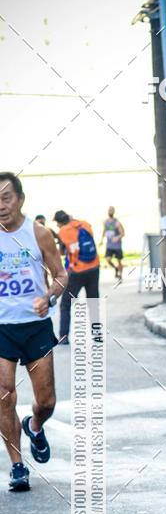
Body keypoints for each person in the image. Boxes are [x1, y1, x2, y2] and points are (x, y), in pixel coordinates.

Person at [0, 173, 67, 491]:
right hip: (2, 328)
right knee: (3, 395)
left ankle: (35, 425)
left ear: (20, 199)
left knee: (47, 400)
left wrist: (49, 295)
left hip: (36, 327)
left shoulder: (38, 234)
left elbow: (62, 276)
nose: (1, 205)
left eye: (6, 197)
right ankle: (17, 466)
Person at [54, 210, 100, 344]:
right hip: (94, 267)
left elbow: (62, 252)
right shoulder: (85, 224)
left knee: (65, 303)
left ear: (60, 222)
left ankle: (63, 337)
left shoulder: (63, 232)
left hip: (76, 271)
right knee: (93, 302)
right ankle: (97, 335)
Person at [100, 206, 125, 280]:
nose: (110, 212)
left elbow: (123, 233)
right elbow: (104, 231)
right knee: (108, 259)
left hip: (117, 245)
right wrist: (101, 240)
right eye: (109, 210)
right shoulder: (105, 222)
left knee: (119, 260)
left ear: (113, 212)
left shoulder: (117, 223)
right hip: (109, 245)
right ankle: (116, 268)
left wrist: (117, 237)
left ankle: (120, 275)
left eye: (111, 210)